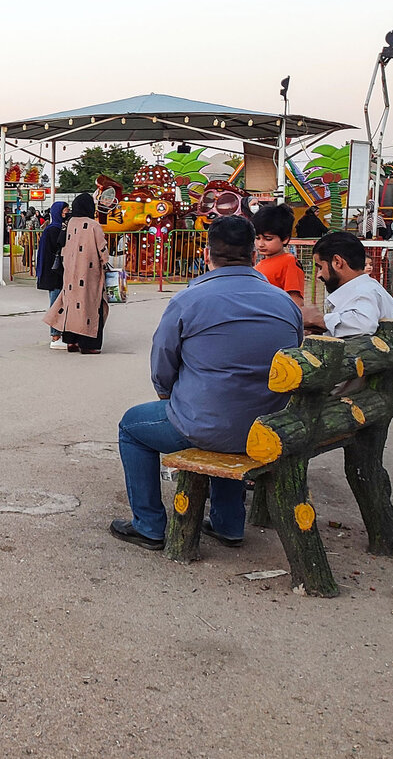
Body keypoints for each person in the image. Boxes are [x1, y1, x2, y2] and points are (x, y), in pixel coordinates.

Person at [108, 216, 303, 551]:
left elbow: (162, 366)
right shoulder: (284, 303)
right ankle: (229, 524)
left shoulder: (189, 299)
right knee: (232, 408)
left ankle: (149, 525)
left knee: (132, 426)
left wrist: (172, 397)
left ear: (208, 254)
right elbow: (293, 358)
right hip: (268, 427)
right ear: (253, 255)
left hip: (208, 424)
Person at [300, 231, 393, 336]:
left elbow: (363, 325)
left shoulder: (363, 291)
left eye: (320, 267)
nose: (319, 275)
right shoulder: (364, 288)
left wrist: (318, 319)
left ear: (337, 262)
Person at [43, 192, 107, 353]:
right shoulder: (93, 225)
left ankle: (71, 341)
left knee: (72, 305)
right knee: (91, 306)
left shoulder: (70, 223)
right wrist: (107, 263)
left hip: (70, 272)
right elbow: (102, 249)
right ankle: (88, 344)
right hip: (89, 273)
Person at [253, 203, 304, 306]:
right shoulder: (260, 264)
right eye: (257, 238)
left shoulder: (289, 262)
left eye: (268, 239)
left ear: (285, 239)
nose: (260, 244)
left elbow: (296, 302)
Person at [36, 200, 70, 350]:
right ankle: (55, 335)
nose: (66, 214)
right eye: (64, 211)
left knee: (56, 301)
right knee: (56, 303)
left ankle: (57, 334)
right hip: (55, 272)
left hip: (52, 271)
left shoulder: (52, 228)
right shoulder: (54, 230)